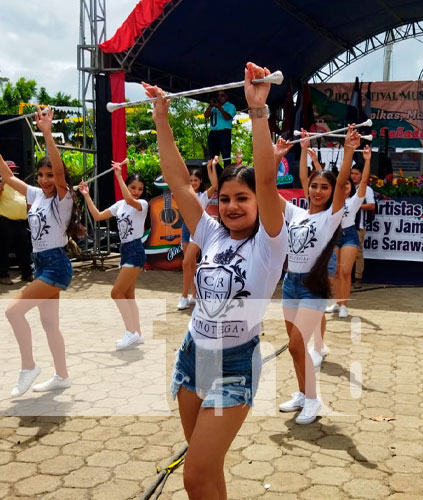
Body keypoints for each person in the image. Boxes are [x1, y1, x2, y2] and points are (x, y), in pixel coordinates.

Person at [144, 62, 287, 499]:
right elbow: (176, 182)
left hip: (235, 365)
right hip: (193, 355)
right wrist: (162, 119)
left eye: (242, 198)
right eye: (224, 199)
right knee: (207, 472)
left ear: (260, 203)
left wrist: (257, 112)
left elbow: (265, 178)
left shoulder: (269, 242)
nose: (231, 206)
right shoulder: (209, 232)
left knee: (193, 474)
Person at [278, 126, 360, 425]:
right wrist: (275, 157)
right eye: (314, 186)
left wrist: (349, 150)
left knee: (297, 345)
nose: (318, 191)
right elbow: (264, 189)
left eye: (324, 188)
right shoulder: (295, 213)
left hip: (312, 287)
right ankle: (302, 392)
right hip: (290, 285)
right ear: (307, 187)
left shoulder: (332, 216)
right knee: (294, 348)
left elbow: (341, 186)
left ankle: (313, 399)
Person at [1, 107, 83, 396]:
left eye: (50, 174)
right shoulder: (36, 195)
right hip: (41, 263)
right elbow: (8, 178)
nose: (46, 179)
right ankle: (62, 376)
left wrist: (47, 132)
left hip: (56, 265)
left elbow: (60, 173)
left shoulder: (64, 197)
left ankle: (28, 367)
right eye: (41, 174)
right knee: (49, 324)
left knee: (12, 313)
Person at [79, 162, 149, 350]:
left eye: (140, 189)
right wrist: (86, 195)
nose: (136, 191)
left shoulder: (142, 204)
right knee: (128, 295)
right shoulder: (120, 205)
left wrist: (118, 176)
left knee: (116, 293)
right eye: (133, 187)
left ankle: (130, 332)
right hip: (125, 250)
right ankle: (138, 334)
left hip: (135, 250)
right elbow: (97, 216)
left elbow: (129, 198)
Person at [326, 146, 372, 319]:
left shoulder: (355, 201)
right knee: (335, 273)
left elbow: (365, 182)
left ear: (351, 187)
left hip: (349, 235)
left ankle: (344, 304)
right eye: (341, 184)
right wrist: (315, 160)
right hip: (334, 236)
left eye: (347, 183)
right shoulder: (330, 202)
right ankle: (337, 303)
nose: (344, 186)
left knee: (345, 272)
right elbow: (317, 177)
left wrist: (367, 160)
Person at [177, 160, 219, 310]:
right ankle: (194, 296)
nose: (193, 182)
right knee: (190, 265)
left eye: (195, 180)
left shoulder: (203, 195)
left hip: (198, 230)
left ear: (200, 181)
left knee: (186, 262)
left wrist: (211, 166)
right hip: (185, 228)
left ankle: (183, 296)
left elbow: (215, 185)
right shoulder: (185, 194)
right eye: (191, 180)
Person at [0, 160, 33, 284]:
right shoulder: (2, 184)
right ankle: (3, 275)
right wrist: (4, 180)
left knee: (24, 249)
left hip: (21, 222)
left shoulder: (19, 185)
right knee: (3, 250)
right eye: (10, 169)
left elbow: (27, 200)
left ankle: (27, 273)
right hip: (5, 222)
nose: (13, 172)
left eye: (13, 169)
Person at [352, 159, 375, 288]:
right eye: (352, 173)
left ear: (362, 174)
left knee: (357, 252)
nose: (353, 176)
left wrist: (357, 206)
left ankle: (358, 278)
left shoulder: (367, 189)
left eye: (356, 174)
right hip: (346, 224)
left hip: (359, 225)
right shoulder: (348, 186)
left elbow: (372, 205)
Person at [204, 90, 236, 168]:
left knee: (226, 156)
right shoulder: (214, 107)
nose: (219, 97)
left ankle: (226, 175)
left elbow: (227, 116)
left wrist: (219, 107)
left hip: (224, 133)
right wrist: (211, 106)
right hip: (213, 133)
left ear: (227, 96)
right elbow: (206, 115)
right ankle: (215, 175)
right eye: (218, 96)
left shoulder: (231, 106)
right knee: (212, 157)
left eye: (222, 95)